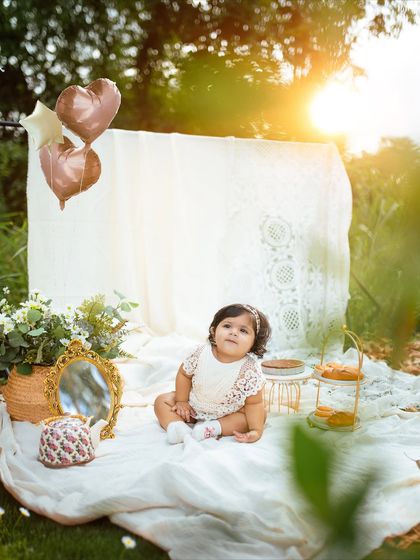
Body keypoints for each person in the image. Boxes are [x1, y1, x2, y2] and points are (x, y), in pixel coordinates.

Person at [154, 303, 271, 444]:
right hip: (192, 407)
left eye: (243, 331)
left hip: (229, 413)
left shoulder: (250, 370)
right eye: (227, 326)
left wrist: (256, 430)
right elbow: (184, 375)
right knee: (162, 401)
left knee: (258, 415)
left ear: (254, 343)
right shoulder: (200, 353)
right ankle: (177, 427)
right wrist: (181, 401)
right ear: (214, 331)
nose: (233, 332)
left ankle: (211, 428)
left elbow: (254, 404)